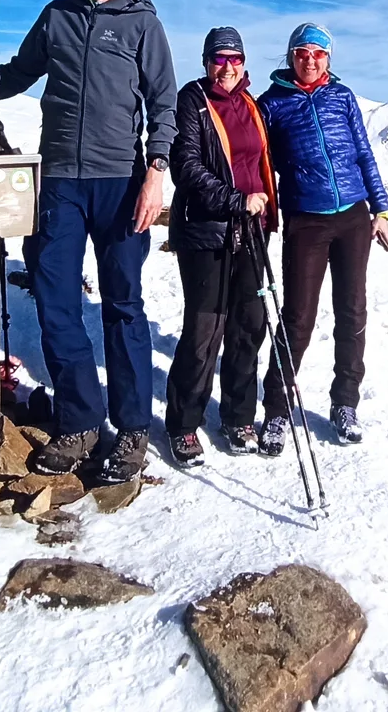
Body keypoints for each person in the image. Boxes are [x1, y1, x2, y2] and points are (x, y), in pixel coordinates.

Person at [0, 0, 177, 485]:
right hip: (60, 183)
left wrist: (155, 173)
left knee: (122, 303)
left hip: (121, 180)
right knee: (55, 299)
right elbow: (18, 74)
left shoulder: (143, 23)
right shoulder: (56, 17)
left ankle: (134, 426)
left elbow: (162, 101)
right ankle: (80, 422)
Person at [257, 23, 388, 453]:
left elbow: (364, 153)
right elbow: (259, 161)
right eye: (301, 52)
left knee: (352, 313)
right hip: (306, 221)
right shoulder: (272, 104)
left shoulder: (343, 97)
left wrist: (381, 208)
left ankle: (345, 403)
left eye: (318, 52)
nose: (309, 59)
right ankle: (277, 410)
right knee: (298, 318)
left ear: (329, 58)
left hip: (353, 216)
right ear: (290, 56)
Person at [164, 27, 276, 466]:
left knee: (249, 325)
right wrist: (235, 201)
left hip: (254, 230)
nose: (227, 67)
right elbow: (186, 166)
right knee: (204, 330)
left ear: (244, 63)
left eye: (235, 59)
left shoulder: (251, 104)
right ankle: (184, 422)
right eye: (219, 58)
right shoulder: (192, 101)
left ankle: (237, 415)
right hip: (207, 231)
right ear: (206, 61)